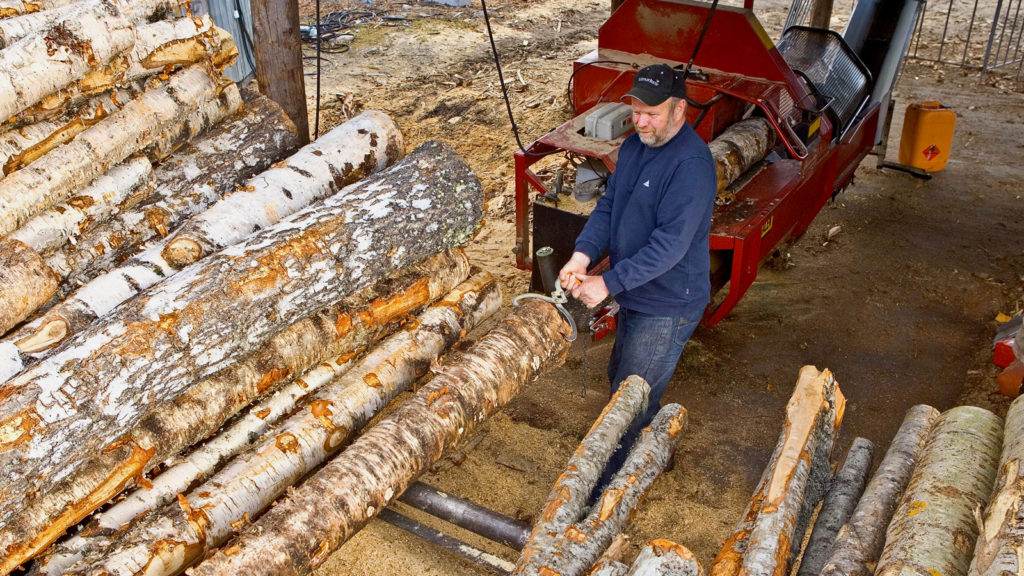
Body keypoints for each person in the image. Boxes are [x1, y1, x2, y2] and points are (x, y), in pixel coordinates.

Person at [558, 63, 717, 491]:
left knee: (631, 404)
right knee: (623, 382)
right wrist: (582, 255)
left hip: (667, 304)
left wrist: (607, 283)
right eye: (637, 110)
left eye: (653, 113)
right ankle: (645, 456)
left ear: (680, 108)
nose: (642, 121)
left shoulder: (691, 167)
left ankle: (608, 494)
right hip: (636, 294)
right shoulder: (633, 148)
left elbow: (670, 246)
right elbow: (610, 208)